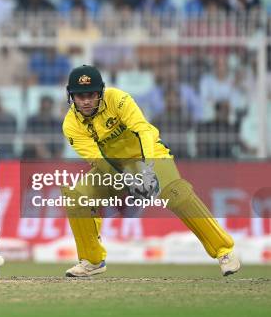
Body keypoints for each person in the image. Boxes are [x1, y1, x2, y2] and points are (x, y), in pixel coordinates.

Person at [61, 65, 239, 277]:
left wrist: (146, 169)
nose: (86, 101)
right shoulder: (71, 124)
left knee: (177, 194)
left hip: (151, 154)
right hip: (115, 166)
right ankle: (92, 260)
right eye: (80, 96)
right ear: (71, 96)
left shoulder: (118, 99)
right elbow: (98, 160)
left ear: (100, 92)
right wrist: (127, 179)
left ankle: (223, 250)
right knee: (77, 197)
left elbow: (143, 130)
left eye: (91, 94)